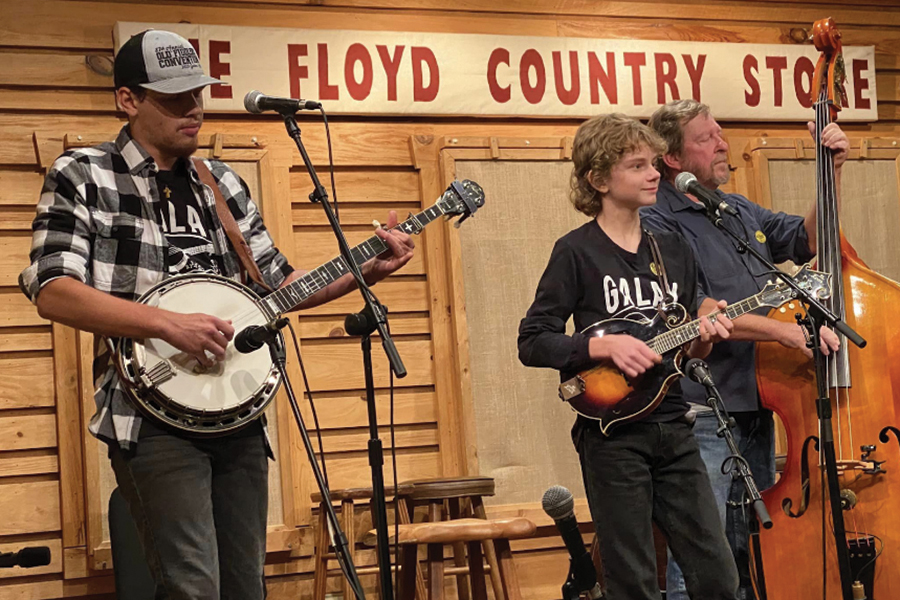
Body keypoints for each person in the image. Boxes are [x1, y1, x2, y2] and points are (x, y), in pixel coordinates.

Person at [18, 30, 414, 599]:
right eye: (174, 98)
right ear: (128, 100)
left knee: (247, 587)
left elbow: (279, 285)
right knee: (193, 587)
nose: (194, 109)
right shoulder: (83, 174)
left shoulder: (222, 182)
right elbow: (52, 288)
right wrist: (164, 323)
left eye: (198, 94)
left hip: (236, 411)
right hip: (149, 417)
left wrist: (365, 271)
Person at [518, 113, 740, 600]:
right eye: (636, 165)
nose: (653, 173)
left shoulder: (673, 248)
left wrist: (706, 335)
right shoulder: (576, 252)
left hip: (674, 424)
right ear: (598, 179)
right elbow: (533, 340)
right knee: (633, 580)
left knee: (718, 576)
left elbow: (686, 345)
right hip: (612, 435)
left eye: (652, 163)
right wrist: (601, 344)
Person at [641, 99, 846, 600]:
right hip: (703, 408)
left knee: (745, 547)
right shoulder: (657, 222)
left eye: (721, 133)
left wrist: (832, 170)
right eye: (707, 137)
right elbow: (693, 308)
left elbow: (806, 240)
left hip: (757, 402)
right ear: (672, 158)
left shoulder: (734, 209)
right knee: (701, 554)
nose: (722, 143)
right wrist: (779, 331)